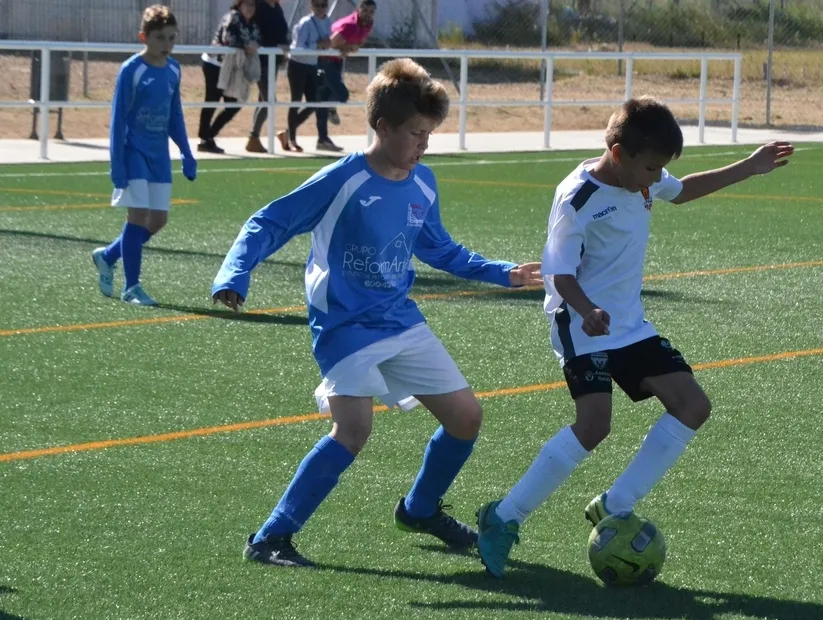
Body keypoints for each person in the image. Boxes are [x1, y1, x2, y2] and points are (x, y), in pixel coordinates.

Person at [210, 58, 543, 567]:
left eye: (429, 134)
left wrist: (505, 273)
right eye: (415, 134)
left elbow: (440, 249)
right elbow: (269, 222)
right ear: (382, 127)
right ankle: (271, 537)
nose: (423, 145)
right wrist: (234, 273)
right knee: (353, 429)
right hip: (343, 325)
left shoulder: (423, 182)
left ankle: (419, 509)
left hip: (399, 319)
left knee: (466, 418)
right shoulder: (342, 179)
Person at [474, 97, 795, 579]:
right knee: (594, 426)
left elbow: (682, 191)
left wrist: (750, 166)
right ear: (619, 153)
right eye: (651, 168)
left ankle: (616, 503)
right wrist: (587, 310)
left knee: (692, 405)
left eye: (660, 169)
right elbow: (559, 273)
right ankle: (503, 517)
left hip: (628, 324)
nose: (656, 179)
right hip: (580, 322)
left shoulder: (641, 176)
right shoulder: (577, 198)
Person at [91, 4, 197, 306]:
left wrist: (186, 152)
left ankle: (108, 255)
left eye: (172, 38)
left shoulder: (174, 70)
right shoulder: (131, 70)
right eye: (161, 38)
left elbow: (174, 114)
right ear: (144, 37)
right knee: (137, 216)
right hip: (133, 151)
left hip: (159, 155)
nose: (167, 44)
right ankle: (132, 287)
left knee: (158, 220)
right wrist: (117, 164)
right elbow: (118, 120)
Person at [196, 0, 261, 153]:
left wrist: (254, 45)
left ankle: (209, 135)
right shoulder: (233, 17)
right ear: (239, 4)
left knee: (234, 104)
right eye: (247, 4)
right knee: (212, 100)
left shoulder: (252, 23)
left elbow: (258, 39)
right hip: (215, 64)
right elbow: (228, 39)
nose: (250, 8)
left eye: (253, 5)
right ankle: (204, 140)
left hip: (233, 68)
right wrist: (245, 46)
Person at [278, 0, 336, 152]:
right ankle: (292, 140)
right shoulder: (305, 23)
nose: (320, 8)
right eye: (317, 5)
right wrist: (318, 45)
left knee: (313, 102)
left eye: (323, 5)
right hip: (297, 64)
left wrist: (328, 45)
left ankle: (287, 132)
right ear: (311, 6)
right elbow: (298, 48)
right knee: (296, 100)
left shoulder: (328, 22)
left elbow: (329, 42)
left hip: (312, 65)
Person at [317, 0, 376, 145]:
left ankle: (322, 139)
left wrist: (349, 47)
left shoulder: (368, 24)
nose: (367, 14)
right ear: (358, 10)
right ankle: (329, 111)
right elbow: (328, 44)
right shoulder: (350, 25)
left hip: (336, 61)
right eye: (364, 10)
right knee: (340, 95)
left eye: (371, 12)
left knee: (321, 100)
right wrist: (346, 47)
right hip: (325, 61)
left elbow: (358, 43)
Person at [245, 0, 291, 153]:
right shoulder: (259, 7)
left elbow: (281, 32)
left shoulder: (276, 7)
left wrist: (284, 48)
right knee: (269, 100)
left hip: (274, 61)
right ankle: (253, 136)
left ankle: (254, 139)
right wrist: (277, 46)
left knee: (263, 99)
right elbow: (257, 34)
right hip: (262, 61)